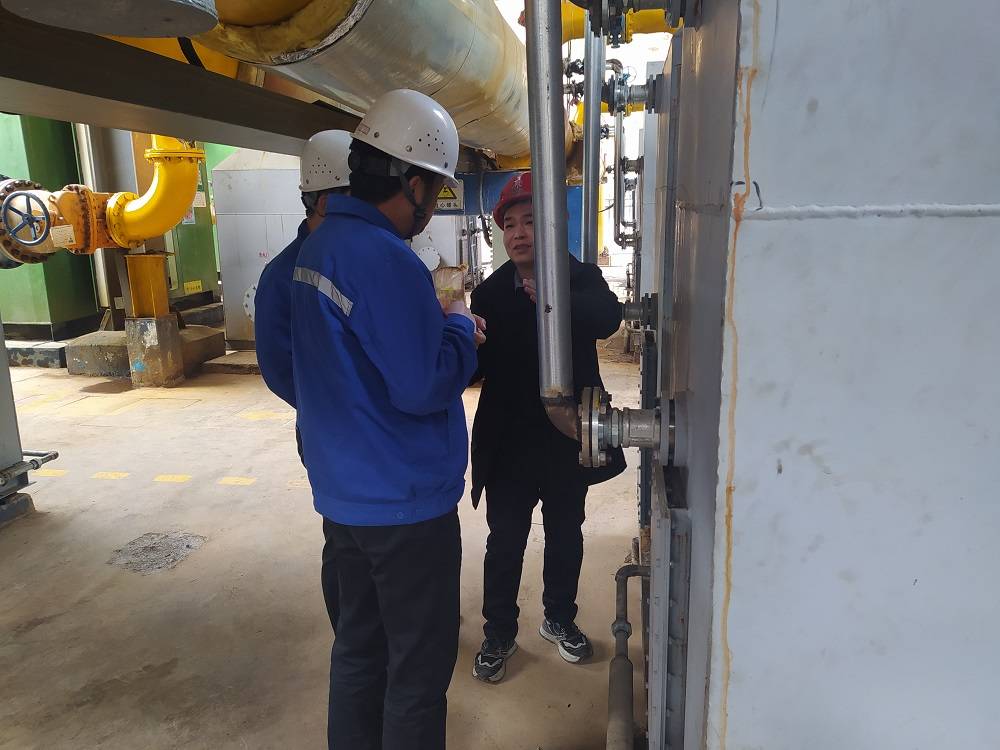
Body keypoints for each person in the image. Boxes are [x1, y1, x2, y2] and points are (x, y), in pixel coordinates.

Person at [282, 89, 483, 750]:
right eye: (437, 189)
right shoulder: (383, 256)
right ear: (413, 182)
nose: (434, 204)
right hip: (404, 506)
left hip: (345, 500)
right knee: (418, 672)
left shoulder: (319, 249)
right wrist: (459, 327)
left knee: (359, 651)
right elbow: (422, 385)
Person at [469, 171, 626, 683]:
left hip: (566, 440)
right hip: (509, 444)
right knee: (505, 540)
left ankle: (559, 618)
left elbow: (608, 318)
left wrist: (556, 301)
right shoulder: (490, 294)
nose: (519, 234)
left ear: (553, 226)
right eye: (510, 224)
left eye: (531, 222)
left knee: (565, 534)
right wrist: (455, 333)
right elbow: (475, 371)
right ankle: (499, 632)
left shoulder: (580, 278)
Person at [254, 128, 352, 633]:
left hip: (363, 425)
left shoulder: (361, 258)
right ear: (324, 201)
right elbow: (278, 368)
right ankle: (352, 633)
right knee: (345, 535)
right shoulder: (282, 276)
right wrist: (334, 405)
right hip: (327, 428)